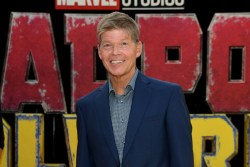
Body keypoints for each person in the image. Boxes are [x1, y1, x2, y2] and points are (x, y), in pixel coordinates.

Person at [76, 11, 194, 167]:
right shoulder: (87, 107)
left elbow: (182, 161)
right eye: (107, 45)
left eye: (123, 44)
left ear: (138, 49)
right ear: (100, 52)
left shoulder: (168, 96)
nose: (115, 52)